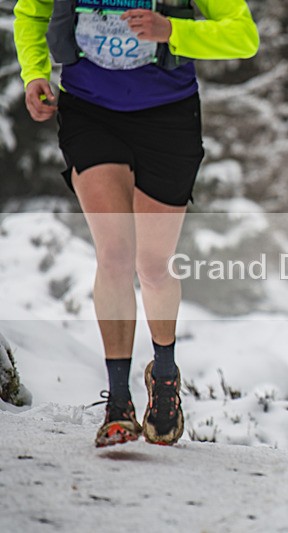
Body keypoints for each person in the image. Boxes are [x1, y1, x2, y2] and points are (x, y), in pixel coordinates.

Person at [13, 0, 259, 447]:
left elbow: (243, 36)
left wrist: (173, 31)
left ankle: (164, 373)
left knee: (152, 264)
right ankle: (118, 402)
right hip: (89, 111)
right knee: (114, 254)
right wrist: (34, 74)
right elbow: (30, 13)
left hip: (169, 118)